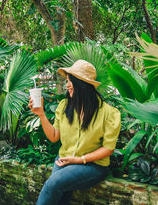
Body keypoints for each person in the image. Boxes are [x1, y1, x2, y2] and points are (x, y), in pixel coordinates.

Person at [28, 59, 121, 205]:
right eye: (67, 81)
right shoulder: (64, 106)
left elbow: (108, 148)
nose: (67, 85)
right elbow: (53, 137)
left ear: (82, 84)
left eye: (70, 81)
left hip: (93, 165)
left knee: (54, 183)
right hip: (64, 159)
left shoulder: (109, 113)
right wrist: (41, 114)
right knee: (60, 197)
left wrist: (79, 160)